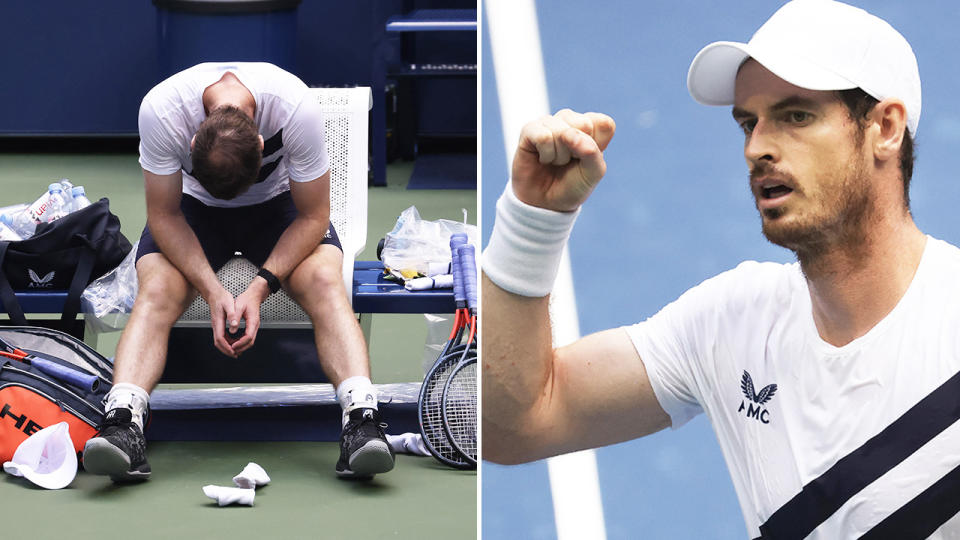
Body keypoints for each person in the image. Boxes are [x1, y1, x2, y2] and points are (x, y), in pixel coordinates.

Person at [482, 0, 960, 537]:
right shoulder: (729, 322)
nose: (757, 148)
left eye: (795, 115)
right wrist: (532, 221)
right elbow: (513, 424)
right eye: (748, 123)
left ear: (885, 128)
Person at [82, 62, 394, 482]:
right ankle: (123, 423)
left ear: (263, 142)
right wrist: (213, 291)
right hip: (192, 211)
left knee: (324, 279)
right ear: (192, 140)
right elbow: (164, 214)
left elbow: (315, 214)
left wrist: (259, 287)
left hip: (279, 207)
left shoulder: (295, 107)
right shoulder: (161, 110)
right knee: (156, 288)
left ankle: (362, 420)